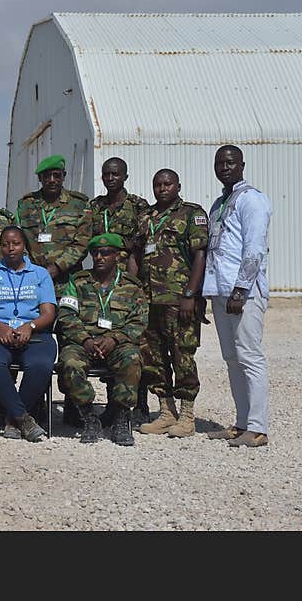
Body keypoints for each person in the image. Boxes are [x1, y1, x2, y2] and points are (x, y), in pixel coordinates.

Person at [203, 145, 272, 448]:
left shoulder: (252, 200)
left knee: (250, 357)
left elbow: (254, 249)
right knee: (232, 359)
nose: (225, 167)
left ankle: (258, 427)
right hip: (220, 291)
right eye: (220, 163)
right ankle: (242, 422)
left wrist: (241, 289)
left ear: (242, 164)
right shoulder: (220, 203)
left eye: (230, 162)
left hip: (242, 293)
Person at [55, 234, 148, 445]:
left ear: (117, 256)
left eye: (105, 253)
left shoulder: (132, 286)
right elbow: (67, 315)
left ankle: (121, 418)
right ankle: (89, 417)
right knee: (69, 362)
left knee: (132, 358)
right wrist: (85, 339)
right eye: (95, 253)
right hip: (83, 343)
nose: (99, 257)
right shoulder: (78, 282)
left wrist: (115, 339)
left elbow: (138, 321)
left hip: (117, 345)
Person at [136, 169, 208, 438]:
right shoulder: (146, 216)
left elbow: (200, 256)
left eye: (167, 184)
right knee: (153, 357)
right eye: (157, 184)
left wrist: (191, 294)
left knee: (182, 355)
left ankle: (187, 415)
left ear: (178, 185)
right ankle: (166, 412)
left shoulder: (192, 214)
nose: (162, 188)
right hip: (149, 299)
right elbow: (136, 255)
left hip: (179, 300)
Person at [0, 226, 56, 442]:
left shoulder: (40, 274)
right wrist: (1, 327)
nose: (11, 248)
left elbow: (48, 313)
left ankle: (12, 419)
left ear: (25, 246)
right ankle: (23, 418)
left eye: (16, 243)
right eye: (5, 244)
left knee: (41, 364)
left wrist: (30, 326)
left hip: (34, 332)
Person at [90, 157, 151, 425]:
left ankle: (137, 406)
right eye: (106, 174)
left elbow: (140, 246)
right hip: (101, 285)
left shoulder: (138, 207)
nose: (111, 178)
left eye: (115, 174)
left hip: (128, 282)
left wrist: (130, 284)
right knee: (104, 340)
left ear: (125, 176)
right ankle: (112, 406)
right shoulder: (96, 207)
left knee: (133, 343)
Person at [16, 155, 91, 294]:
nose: (51, 180)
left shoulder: (79, 204)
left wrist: (57, 267)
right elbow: (18, 239)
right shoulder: (26, 204)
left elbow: (82, 243)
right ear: (40, 178)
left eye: (56, 175)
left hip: (68, 280)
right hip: (32, 279)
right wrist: (29, 269)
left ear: (64, 176)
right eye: (46, 176)